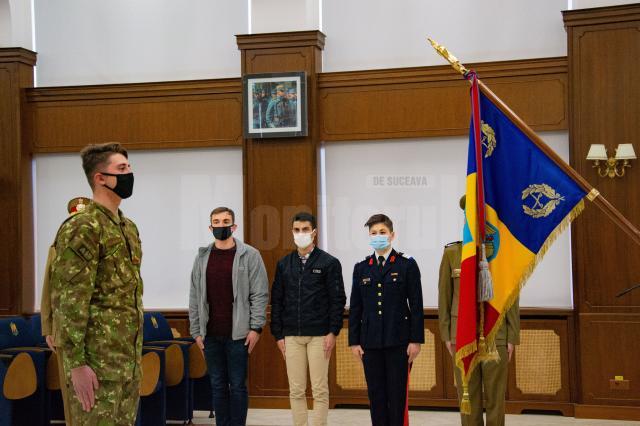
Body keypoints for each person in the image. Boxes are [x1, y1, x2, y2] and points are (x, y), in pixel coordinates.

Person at [49, 142, 143, 424]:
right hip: (96, 364)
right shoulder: (83, 226)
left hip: (126, 362)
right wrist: (76, 364)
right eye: (122, 169)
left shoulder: (127, 227)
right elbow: (69, 300)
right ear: (100, 177)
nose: (130, 174)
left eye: (129, 168)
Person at [438, 195, 520, 426]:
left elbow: (511, 296)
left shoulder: (501, 254)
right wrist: (447, 334)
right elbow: (444, 296)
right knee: (468, 399)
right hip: (462, 336)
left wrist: (512, 335)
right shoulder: (453, 253)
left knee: (496, 399)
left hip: (497, 334)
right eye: (471, 214)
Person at [189, 207, 269, 426]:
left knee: (238, 386)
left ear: (234, 226)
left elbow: (260, 293)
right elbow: (195, 295)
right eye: (216, 221)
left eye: (226, 221)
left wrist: (256, 328)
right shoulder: (202, 257)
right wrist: (196, 332)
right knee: (217, 386)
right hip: (210, 334)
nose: (221, 225)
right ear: (210, 227)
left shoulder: (250, 255)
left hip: (239, 335)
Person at [270, 212, 346, 426]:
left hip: (320, 335)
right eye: (297, 230)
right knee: (296, 390)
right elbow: (277, 300)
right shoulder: (284, 264)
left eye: (305, 230)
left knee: (320, 389)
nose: (300, 234)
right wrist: (278, 335)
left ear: (314, 232)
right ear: (292, 232)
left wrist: (333, 332)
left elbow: (337, 299)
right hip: (291, 336)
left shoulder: (329, 263)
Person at [349, 214, 424, 426]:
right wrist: (354, 341)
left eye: (382, 232)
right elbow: (356, 308)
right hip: (370, 343)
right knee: (376, 397)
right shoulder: (361, 268)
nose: (378, 236)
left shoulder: (406, 265)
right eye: (373, 233)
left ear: (392, 235)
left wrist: (415, 340)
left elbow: (416, 305)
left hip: (398, 342)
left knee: (397, 397)